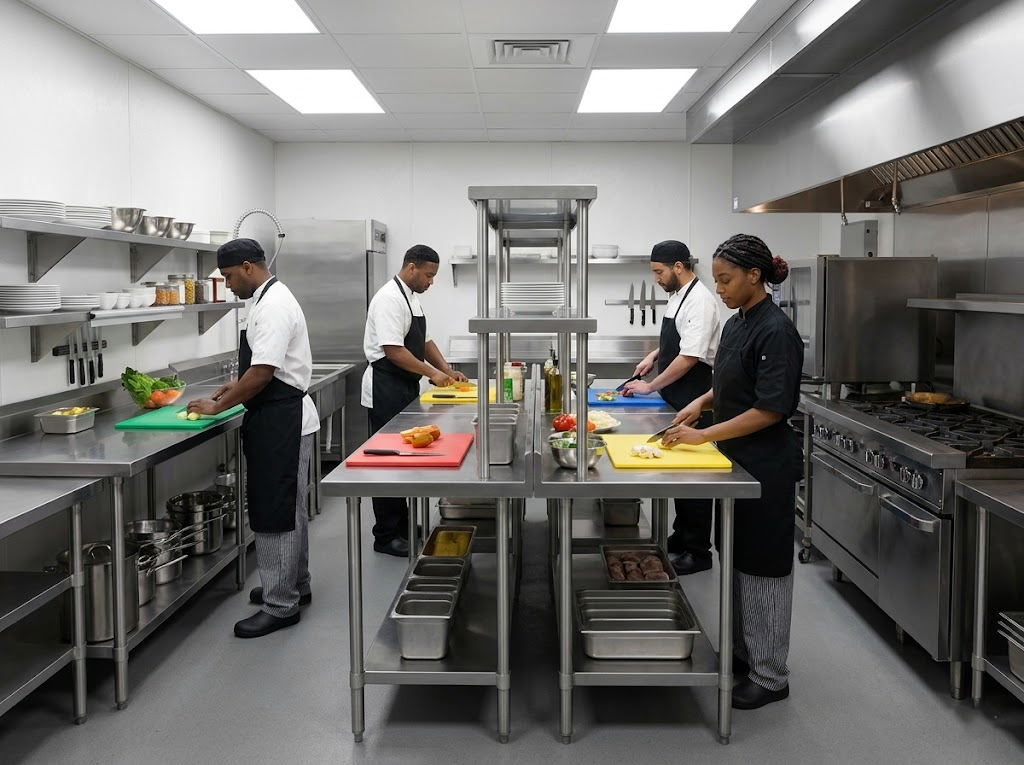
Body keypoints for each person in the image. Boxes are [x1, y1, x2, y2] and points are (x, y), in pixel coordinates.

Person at [662, 234, 803, 710]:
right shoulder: (739, 323)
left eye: (725, 280)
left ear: (754, 276)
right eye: (717, 279)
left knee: (764, 568)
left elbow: (771, 408)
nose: (718, 288)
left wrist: (705, 435)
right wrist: (699, 405)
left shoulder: (775, 330)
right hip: (738, 462)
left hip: (766, 466)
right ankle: (745, 655)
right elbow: (728, 383)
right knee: (739, 559)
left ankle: (771, 675)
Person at [188, 238, 320, 639]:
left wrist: (221, 405)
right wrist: (234, 384)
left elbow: (263, 373)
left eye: (229, 276)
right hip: (280, 415)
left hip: (281, 419)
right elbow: (264, 365)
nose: (227, 285)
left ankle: (281, 606)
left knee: (273, 508)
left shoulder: (274, 305)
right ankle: (295, 585)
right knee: (289, 506)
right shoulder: (265, 299)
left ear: (248, 267)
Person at [362, 244, 467, 556]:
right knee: (387, 461)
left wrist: (447, 369)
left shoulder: (411, 298)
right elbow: (394, 351)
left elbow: (424, 341)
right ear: (411, 268)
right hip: (385, 386)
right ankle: (385, 534)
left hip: (404, 386)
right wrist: (432, 374)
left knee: (405, 457)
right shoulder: (388, 299)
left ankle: (403, 523)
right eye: (429, 275)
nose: (431, 281)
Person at [624, 240, 722, 575]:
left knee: (693, 475)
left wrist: (650, 386)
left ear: (678, 267)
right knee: (678, 470)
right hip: (675, 395)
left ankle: (698, 551)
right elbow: (674, 341)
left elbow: (689, 357)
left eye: (659, 272)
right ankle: (681, 538)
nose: (656, 278)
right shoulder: (678, 295)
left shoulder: (702, 302)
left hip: (694, 394)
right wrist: (652, 357)